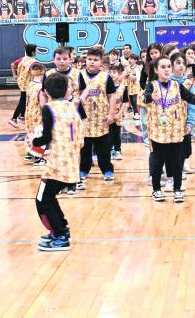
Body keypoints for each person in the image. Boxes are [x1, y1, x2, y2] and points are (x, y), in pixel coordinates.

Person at [30, 73, 86, 251]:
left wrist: (34, 142)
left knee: (42, 200)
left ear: (46, 91)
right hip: (71, 161)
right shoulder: (72, 107)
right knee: (49, 197)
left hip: (56, 164)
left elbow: (45, 137)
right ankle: (61, 229)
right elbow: (81, 138)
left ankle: (60, 236)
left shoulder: (48, 108)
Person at [142, 56, 195, 202]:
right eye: (163, 67)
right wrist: (151, 97)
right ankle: (156, 189)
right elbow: (145, 98)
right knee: (157, 162)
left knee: (177, 162)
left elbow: (189, 97)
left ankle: (177, 189)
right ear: (156, 70)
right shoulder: (152, 86)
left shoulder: (177, 85)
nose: (166, 70)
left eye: (168, 67)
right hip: (158, 133)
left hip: (176, 132)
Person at [78, 47, 117, 184]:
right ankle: (83, 169)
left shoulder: (106, 77)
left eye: (95, 60)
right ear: (85, 60)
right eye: (89, 59)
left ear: (101, 62)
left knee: (103, 148)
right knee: (84, 147)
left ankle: (107, 170)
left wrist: (111, 113)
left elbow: (112, 96)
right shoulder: (79, 75)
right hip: (83, 118)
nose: (92, 62)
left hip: (101, 118)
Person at [9, 44, 39, 128]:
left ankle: (22, 116)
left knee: (24, 99)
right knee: (23, 100)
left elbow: (12, 64)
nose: (37, 52)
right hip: (28, 83)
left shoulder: (23, 59)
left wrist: (14, 75)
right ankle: (14, 118)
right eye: (36, 50)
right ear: (33, 52)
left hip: (21, 81)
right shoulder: (34, 62)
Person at [23, 63, 47, 165]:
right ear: (43, 72)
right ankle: (37, 157)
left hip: (29, 112)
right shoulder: (41, 88)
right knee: (39, 135)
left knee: (31, 134)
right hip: (37, 113)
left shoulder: (30, 84)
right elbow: (43, 105)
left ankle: (30, 153)